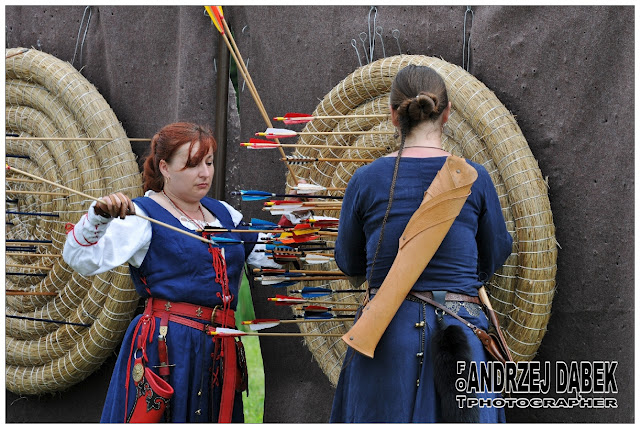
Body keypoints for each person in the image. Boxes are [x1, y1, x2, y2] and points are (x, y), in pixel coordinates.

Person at [329, 65, 513, 423]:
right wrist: (454, 278)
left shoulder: (365, 180)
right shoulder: (475, 178)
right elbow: (494, 254)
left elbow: (349, 263)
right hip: (461, 332)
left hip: (385, 337)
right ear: (447, 113)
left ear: (393, 116)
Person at [63, 122, 278, 423]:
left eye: (209, 162)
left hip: (219, 350)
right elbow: (79, 258)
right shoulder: (142, 216)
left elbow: (272, 258)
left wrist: (298, 221)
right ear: (164, 167)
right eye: (192, 165)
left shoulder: (225, 214)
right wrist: (97, 218)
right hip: (167, 347)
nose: (204, 173)